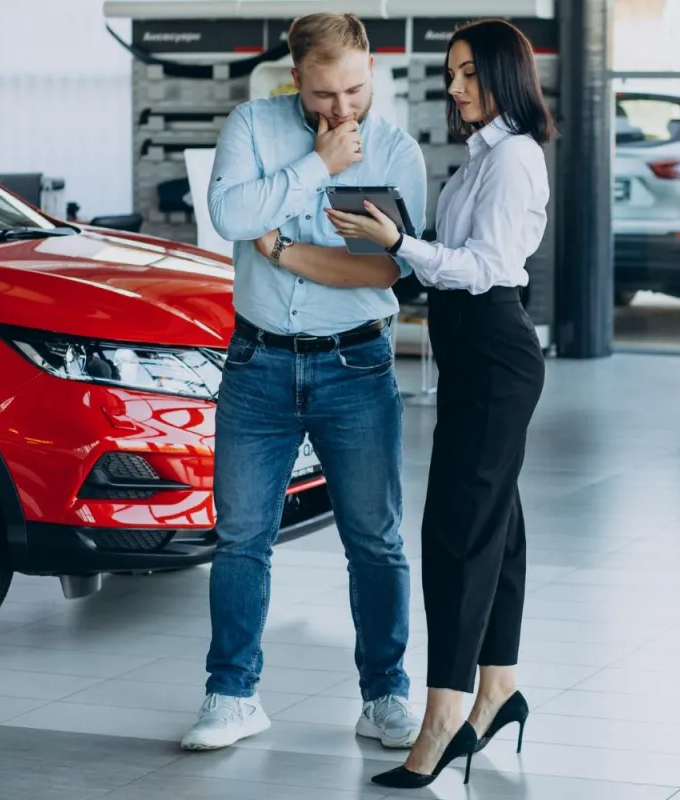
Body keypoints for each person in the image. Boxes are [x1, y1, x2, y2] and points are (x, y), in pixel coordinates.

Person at [271, 18, 553, 789]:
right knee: (498, 526)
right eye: (452, 74)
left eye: (468, 74)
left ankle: (443, 718)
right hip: (471, 351)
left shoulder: (515, 160)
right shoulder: (478, 160)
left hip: (493, 351)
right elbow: (448, 262)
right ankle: (497, 688)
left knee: (457, 532)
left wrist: (397, 243)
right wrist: (388, 240)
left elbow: (483, 267)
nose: (455, 88)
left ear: (502, 76)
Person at [180, 12, 426, 752]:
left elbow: (386, 270)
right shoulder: (253, 126)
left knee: (375, 541)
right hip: (257, 363)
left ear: (372, 72)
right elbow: (228, 213)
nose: (342, 110)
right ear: (297, 80)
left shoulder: (396, 150)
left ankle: (385, 696)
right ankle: (231, 696)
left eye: (354, 89)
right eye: (324, 95)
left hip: (356, 365)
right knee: (241, 539)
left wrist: (283, 247)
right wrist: (317, 166)